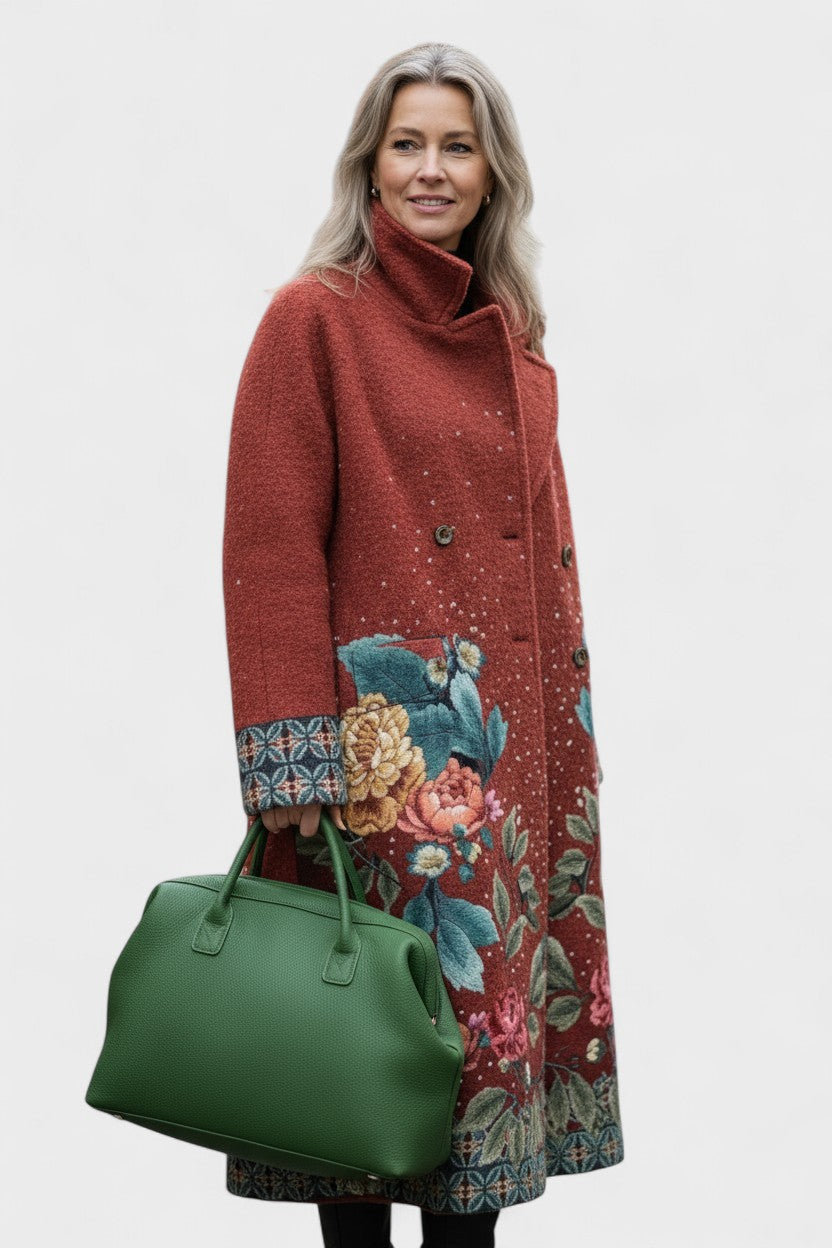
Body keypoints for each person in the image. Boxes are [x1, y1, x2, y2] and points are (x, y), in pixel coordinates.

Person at [221, 40, 625, 1248]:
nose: (431, 169)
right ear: (370, 163)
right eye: (408, 144)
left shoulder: (519, 340)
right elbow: (270, 545)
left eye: (458, 146)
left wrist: (563, 755)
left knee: (473, 1090)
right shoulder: (314, 318)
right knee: (355, 1075)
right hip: (368, 768)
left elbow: (547, 564)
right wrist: (288, 760)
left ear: (493, 171)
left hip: (500, 768)